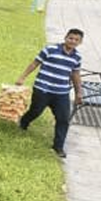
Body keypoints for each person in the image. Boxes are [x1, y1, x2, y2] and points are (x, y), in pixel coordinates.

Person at [15, 28, 84, 159]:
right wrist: (22, 77)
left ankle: (58, 147)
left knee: (63, 119)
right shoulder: (50, 49)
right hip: (42, 89)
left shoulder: (77, 57)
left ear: (80, 42)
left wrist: (78, 92)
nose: (72, 41)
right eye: (70, 38)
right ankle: (24, 122)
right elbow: (35, 63)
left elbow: (75, 74)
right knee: (35, 111)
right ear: (65, 38)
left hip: (61, 93)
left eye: (76, 40)